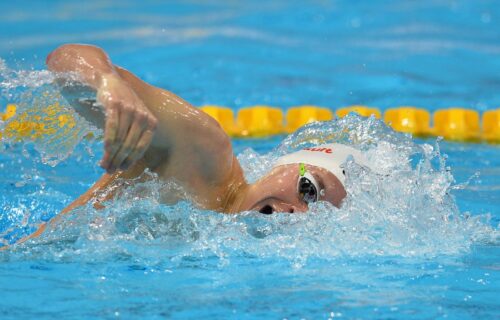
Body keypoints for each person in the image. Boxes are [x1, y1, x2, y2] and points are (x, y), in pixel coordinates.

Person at [18, 44, 370, 243]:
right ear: (282, 166)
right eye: (308, 189)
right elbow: (65, 58)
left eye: (320, 215)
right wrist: (108, 84)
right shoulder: (203, 155)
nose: (300, 212)